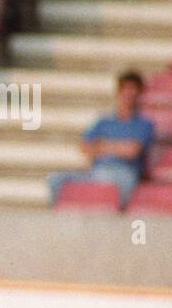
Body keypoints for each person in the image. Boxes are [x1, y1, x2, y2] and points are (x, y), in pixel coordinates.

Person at [46, 71, 157, 209]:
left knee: (121, 183)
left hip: (125, 172)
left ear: (140, 94)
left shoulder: (144, 124)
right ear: (119, 92)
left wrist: (102, 146)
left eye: (133, 90)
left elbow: (133, 151)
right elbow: (85, 148)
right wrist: (118, 147)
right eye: (126, 90)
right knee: (55, 179)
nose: (129, 94)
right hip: (98, 171)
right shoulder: (104, 121)